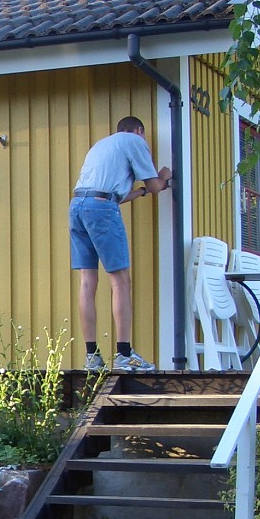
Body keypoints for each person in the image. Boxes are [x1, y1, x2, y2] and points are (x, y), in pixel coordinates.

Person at [68, 116, 173, 372]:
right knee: (120, 280)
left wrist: (143, 192)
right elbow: (155, 185)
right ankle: (124, 354)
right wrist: (164, 176)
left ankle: (92, 355)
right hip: (102, 209)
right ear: (139, 130)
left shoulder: (100, 146)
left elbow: (117, 195)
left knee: (87, 280)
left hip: (78, 206)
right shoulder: (133, 140)